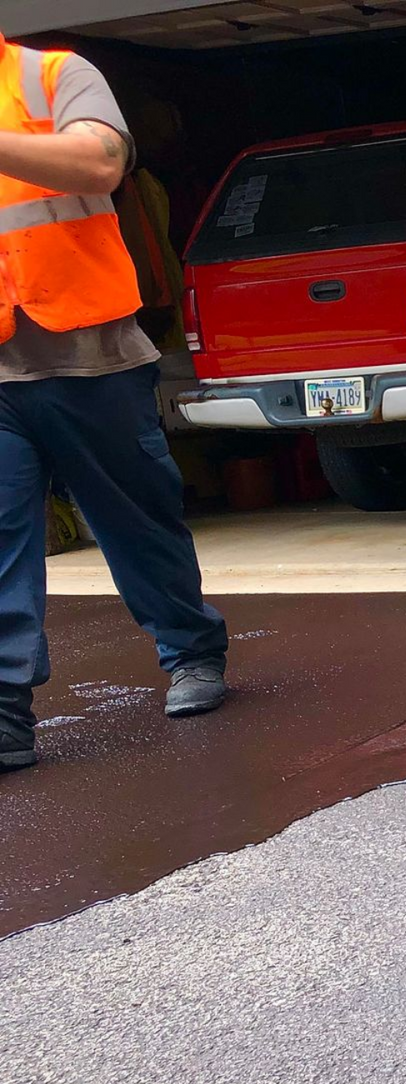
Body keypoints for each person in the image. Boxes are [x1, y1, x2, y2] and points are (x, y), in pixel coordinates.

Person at [0, 33, 229, 774]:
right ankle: (5, 711)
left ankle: (191, 650)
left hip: (87, 354)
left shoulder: (54, 75)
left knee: (137, 521)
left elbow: (100, 162)